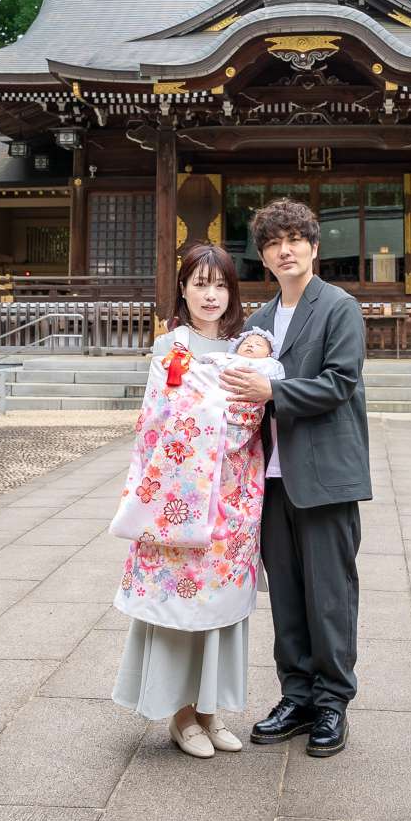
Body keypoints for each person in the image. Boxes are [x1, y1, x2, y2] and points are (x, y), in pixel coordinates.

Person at [219, 198, 372, 758]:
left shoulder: (339, 307)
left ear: (313, 246)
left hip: (325, 474)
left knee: (329, 594)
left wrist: (273, 392)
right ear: (263, 255)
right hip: (270, 479)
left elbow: (340, 382)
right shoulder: (257, 321)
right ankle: (297, 695)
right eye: (273, 242)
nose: (285, 250)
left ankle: (333, 702)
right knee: (285, 593)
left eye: (294, 239)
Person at [111, 242, 264, 760]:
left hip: (233, 496)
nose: (211, 294)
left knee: (220, 607)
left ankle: (209, 710)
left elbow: (255, 413)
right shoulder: (169, 348)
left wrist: (226, 413)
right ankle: (179, 714)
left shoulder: (247, 349)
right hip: (180, 494)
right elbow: (157, 422)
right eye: (200, 283)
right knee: (179, 604)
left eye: (220, 284)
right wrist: (219, 414)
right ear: (183, 288)